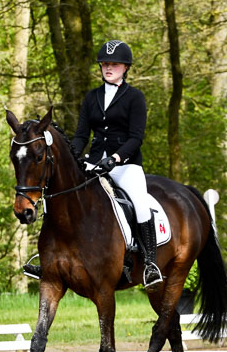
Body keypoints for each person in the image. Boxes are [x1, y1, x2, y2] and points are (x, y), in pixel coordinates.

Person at [23, 39, 162, 288]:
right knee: (57, 196)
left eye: (115, 64)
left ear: (125, 68)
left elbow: (136, 137)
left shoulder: (135, 97)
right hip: (94, 163)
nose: (109, 68)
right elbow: (80, 135)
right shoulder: (92, 97)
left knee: (140, 204)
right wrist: (74, 159)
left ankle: (150, 263)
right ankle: (45, 258)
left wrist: (116, 158)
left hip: (126, 165)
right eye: (105, 64)